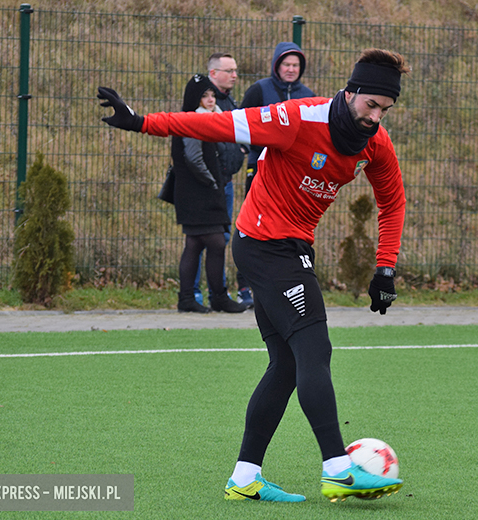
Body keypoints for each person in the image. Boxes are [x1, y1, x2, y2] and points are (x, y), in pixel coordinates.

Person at [98, 48, 409, 502]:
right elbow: (215, 125)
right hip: (265, 244)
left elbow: (393, 201)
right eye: (371, 105)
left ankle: (244, 478)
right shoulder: (297, 117)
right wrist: (141, 121)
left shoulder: (375, 142)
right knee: (314, 345)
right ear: (351, 92)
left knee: (285, 365)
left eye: (386, 109)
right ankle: (339, 468)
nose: (376, 116)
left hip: (291, 246)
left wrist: (385, 267)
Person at [235, 41, 317, 307]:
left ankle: (282, 286)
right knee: (252, 229)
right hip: (259, 170)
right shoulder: (259, 90)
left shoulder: (308, 95)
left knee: (288, 232)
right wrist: (252, 151)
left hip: (294, 178)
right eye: (286, 64)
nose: (291, 69)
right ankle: (244, 287)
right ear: (276, 65)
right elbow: (241, 121)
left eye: (295, 65)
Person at [170, 75, 247, 314]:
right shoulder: (194, 121)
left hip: (199, 190)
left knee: (194, 243)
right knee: (214, 242)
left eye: (213, 95)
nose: (211, 99)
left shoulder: (208, 119)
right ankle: (217, 297)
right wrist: (212, 182)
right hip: (200, 192)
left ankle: (189, 298)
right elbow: (194, 158)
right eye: (205, 95)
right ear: (195, 98)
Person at [191, 53, 247, 306]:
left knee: (220, 239)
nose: (235, 75)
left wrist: (242, 149)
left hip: (225, 181)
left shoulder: (228, 102)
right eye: (229, 70)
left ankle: (218, 293)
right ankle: (194, 293)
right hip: (207, 184)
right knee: (199, 239)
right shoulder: (201, 103)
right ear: (213, 73)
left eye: (235, 70)